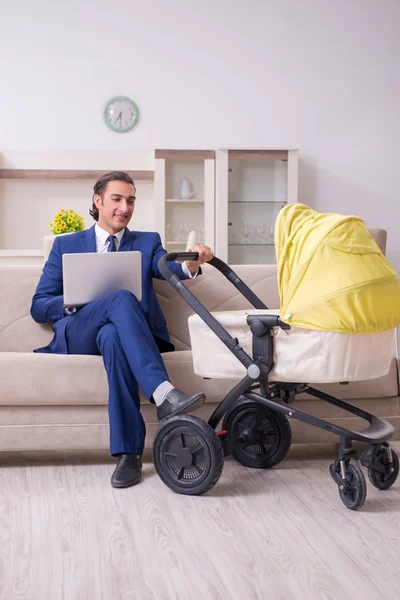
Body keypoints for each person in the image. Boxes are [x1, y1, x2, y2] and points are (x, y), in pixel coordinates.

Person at [30, 170, 214, 488]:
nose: (124, 207)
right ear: (98, 201)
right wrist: (75, 298)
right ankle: (163, 392)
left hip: (120, 336)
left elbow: (169, 267)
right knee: (119, 299)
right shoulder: (65, 245)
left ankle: (129, 456)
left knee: (113, 336)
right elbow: (38, 306)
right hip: (78, 331)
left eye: (130, 200)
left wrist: (192, 263)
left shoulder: (147, 241)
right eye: (117, 199)